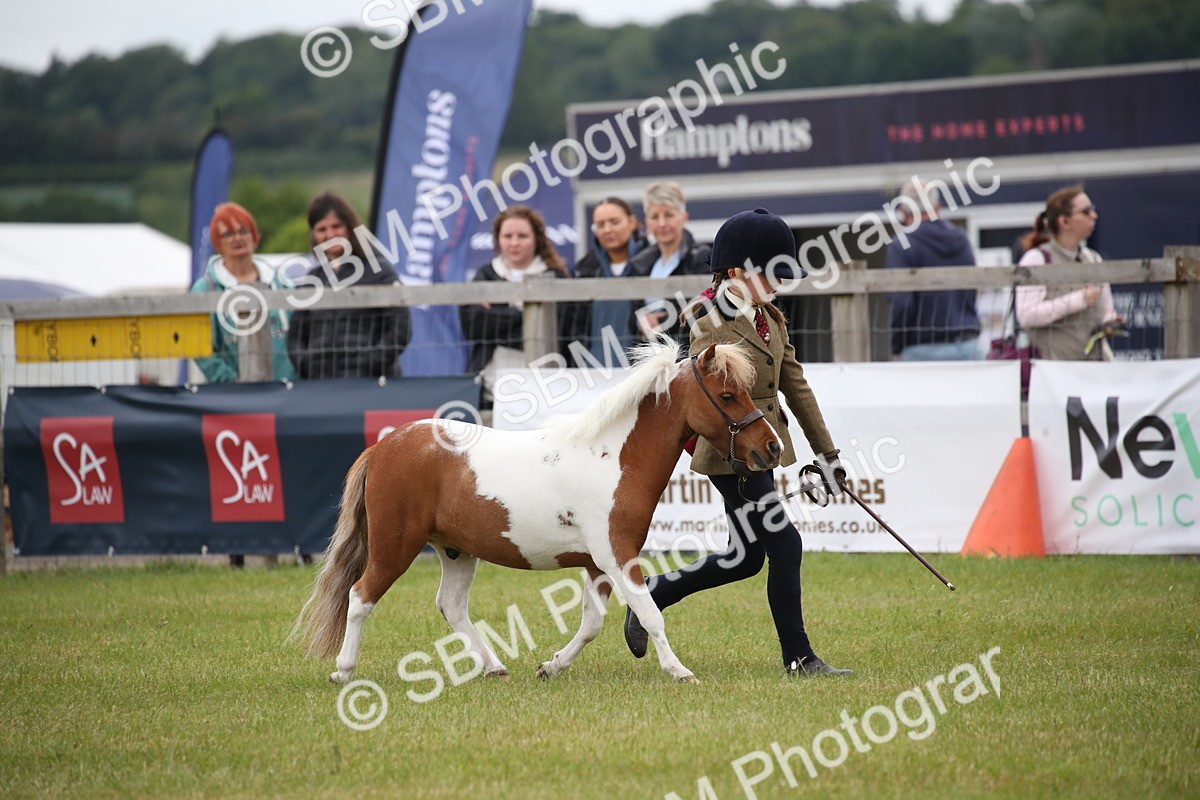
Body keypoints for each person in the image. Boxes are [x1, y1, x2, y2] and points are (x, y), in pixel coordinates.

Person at [623, 207, 853, 677]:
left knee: (743, 558)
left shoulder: (772, 318)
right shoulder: (710, 322)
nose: (778, 284)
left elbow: (797, 386)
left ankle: (653, 594)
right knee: (785, 545)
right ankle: (799, 657)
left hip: (763, 446)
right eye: (770, 273)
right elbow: (715, 396)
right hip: (731, 451)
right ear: (735, 272)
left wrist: (827, 454)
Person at [287, 192, 411, 379]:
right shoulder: (313, 279)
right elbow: (295, 336)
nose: (330, 235)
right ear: (313, 234)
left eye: (336, 226)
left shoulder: (379, 270)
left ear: (350, 227)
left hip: (373, 386)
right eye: (322, 229)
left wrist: (372, 362)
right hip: (320, 387)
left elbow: (401, 328)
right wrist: (307, 364)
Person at [459, 205, 569, 405]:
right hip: (489, 389)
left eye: (522, 236)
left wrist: (497, 315)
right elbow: (473, 326)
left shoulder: (556, 276)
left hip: (544, 388)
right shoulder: (485, 275)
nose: (514, 243)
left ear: (537, 238)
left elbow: (559, 330)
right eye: (507, 236)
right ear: (498, 239)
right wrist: (528, 316)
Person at [190, 202, 296, 383]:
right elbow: (199, 348)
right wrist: (231, 381)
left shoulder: (282, 281)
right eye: (228, 234)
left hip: (288, 392)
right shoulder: (205, 290)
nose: (236, 238)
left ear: (255, 237)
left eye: (243, 231)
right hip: (234, 398)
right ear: (217, 243)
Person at [1015, 186, 1121, 360]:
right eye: (1086, 211)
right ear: (1064, 222)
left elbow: (1106, 312)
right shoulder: (1037, 258)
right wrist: (1078, 300)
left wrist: (1111, 323)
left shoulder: (1093, 258)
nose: (1094, 216)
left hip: (1095, 367)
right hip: (1052, 371)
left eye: (1092, 210)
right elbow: (1027, 316)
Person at [885, 178, 982, 360]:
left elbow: (902, 303)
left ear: (903, 211)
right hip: (968, 347)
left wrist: (896, 346)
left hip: (921, 351)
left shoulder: (901, 246)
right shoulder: (962, 240)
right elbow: (972, 290)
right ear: (938, 207)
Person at [630, 181, 712, 344]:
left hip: (689, 355)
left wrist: (664, 322)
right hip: (651, 356)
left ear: (684, 218)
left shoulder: (701, 257)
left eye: (668, 215)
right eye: (655, 216)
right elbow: (631, 316)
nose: (662, 223)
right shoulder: (641, 264)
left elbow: (707, 310)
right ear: (647, 222)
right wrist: (639, 322)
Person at [568, 197, 648, 360]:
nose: (607, 229)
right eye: (600, 224)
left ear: (631, 222)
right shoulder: (584, 271)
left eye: (614, 222)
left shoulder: (653, 264)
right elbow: (573, 330)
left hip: (641, 372)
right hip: (590, 374)